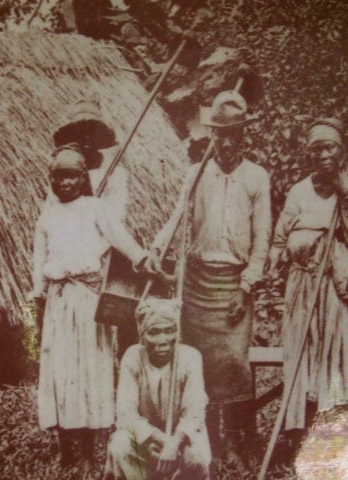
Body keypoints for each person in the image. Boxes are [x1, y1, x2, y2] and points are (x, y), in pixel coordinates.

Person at [148, 90, 271, 458]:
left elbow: (262, 239)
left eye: (234, 134)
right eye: (220, 134)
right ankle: (207, 440)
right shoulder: (195, 174)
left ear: (243, 137)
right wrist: (157, 248)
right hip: (198, 281)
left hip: (234, 283)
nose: (226, 142)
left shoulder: (257, 178)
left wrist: (246, 286)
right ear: (211, 134)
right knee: (198, 363)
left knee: (234, 362)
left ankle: (234, 439)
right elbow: (176, 217)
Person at [30, 143, 148, 469]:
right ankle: (70, 449)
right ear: (50, 179)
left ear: (83, 178)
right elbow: (39, 263)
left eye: (71, 177)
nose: (65, 184)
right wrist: (39, 299)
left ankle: (95, 452)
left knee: (93, 368)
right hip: (58, 302)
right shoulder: (47, 217)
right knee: (63, 372)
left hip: (88, 302)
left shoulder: (96, 209)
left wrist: (144, 260)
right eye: (58, 177)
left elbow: (123, 240)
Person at [268, 118, 348, 455]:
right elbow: (280, 236)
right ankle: (298, 429)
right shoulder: (299, 191)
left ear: (340, 150)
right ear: (308, 155)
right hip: (301, 286)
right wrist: (272, 270)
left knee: (334, 355)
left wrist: (344, 193)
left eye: (329, 147)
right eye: (317, 149)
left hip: (333, 288)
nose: (324, 155)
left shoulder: (346, 189)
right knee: (301, 354)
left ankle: (335, 433)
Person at [104, 298, 211, 480]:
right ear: (142, 335)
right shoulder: (132, 357)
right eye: (154, 333)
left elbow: (194, 413)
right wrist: (160, 440)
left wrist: (174, 444)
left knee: (197, 455)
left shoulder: (190, 357)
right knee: (119, 445)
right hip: (144, 437)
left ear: (177, 333)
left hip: (180, 436)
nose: (163, 340)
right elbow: (126, 414)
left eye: (169, 331)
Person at [52, 98, 128, 218]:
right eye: (81, 132)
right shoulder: (62, 172)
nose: (86, 138)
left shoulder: (114, 173)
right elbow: (52, 208)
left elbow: (117, 213)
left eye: (91, 132)